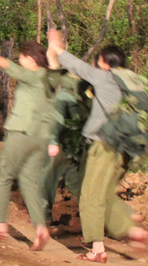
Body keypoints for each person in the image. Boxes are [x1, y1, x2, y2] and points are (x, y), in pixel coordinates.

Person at [46, 30, 148, 262]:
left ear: (104, 63)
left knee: (90, 195)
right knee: (104, 194)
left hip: (103, 146)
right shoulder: (131, 81)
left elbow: (77, 66)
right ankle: (131, 229)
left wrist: (56, 45)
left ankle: (97, 249)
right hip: (125, 148)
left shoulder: (105, 77)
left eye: (99, 60)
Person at [0, 38, 52, 251]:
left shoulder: (34, 75)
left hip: (22, 132)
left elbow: (11, 68)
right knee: (29, 181)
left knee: (4, 172)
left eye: (22, 57)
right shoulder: (51, 79)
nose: (20, 60)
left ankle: (0, 224)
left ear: (30, 59)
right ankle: (40, 228)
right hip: (42, 137)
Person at [41, 66, 90, 224]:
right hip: (78, 142)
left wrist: (53, 141)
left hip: (66, 142)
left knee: (50, 176)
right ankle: (93, 217)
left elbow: (58, 119)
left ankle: (44, 214)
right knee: (76, 180)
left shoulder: (65, 92)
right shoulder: (85, 91)